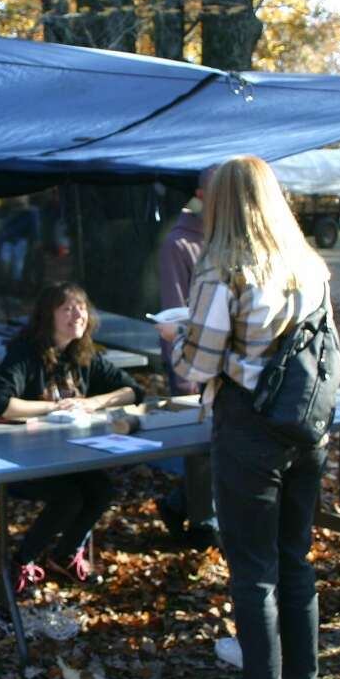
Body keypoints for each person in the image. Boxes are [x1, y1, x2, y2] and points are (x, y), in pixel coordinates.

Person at [157, 155, 335, 679]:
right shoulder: (310, 268)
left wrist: (175, 334)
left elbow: (196, 364)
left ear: (221, 203)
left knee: (253, 570)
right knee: (295, 558)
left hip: (249, 430)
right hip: (306, 428)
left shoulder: (224, 270)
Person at [0, 282, 143, 592]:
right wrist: (53, 406)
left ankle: (65, 555)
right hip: (23, 459)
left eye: (81, 307)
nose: (77, 315)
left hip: (69, 457)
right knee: (69, 497)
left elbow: (133, 390)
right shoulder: (25, 354)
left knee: (101, 491)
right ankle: (21, 562)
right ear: (48, 315)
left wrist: (93, 402)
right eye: (67, 308)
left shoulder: (83, 354)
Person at [155, 167, 218, 549]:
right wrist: (186, 377)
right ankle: (201, 521)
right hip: (191, 363)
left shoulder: (227, 239)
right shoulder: (178, 244)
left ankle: (179, 505)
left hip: (223, 362)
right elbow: (173, 311)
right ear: (201, 194)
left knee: (219, 447)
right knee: (201, 448)